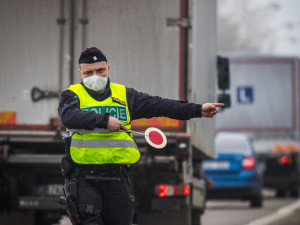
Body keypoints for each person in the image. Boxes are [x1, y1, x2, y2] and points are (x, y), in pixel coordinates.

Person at [58, 47, 224, 225]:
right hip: (84, 178)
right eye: (89, 72)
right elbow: (68, 116)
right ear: (80, 73)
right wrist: (104, 121)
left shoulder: (124, 96)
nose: (95, 76)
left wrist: (198, 109)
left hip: (117, 178)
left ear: (108, 69)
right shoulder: (72, 95)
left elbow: (161, 105)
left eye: (100, 70)